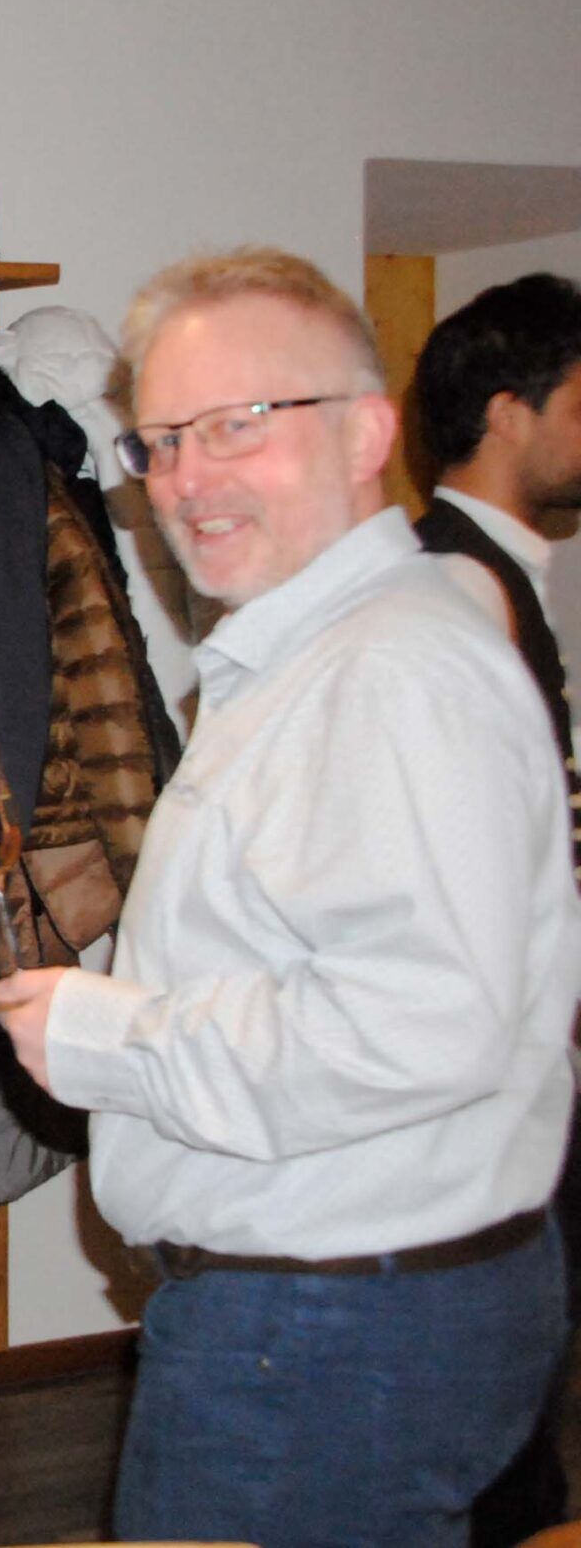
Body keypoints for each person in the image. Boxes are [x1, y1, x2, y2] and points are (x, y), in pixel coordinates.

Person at [0, 248, 581, 1548]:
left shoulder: (389, 670)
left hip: (323, 1332)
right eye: (159, 441)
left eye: (238, 424)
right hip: (342, 1314)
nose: (186, 480)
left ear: (366, 432)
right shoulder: (324, 651)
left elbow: (417, 1021)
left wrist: (105, 1036)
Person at [411, 270, 581, 1548]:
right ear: (511, 411)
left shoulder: (496, 577)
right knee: (496, 1403)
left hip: (528, 1050)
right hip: (487, 1068)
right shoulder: (451, 591)